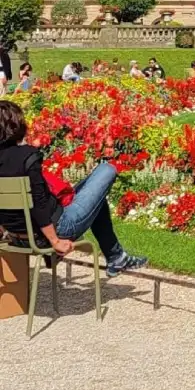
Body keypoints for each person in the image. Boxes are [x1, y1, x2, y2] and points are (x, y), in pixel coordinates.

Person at [0, 101, 147, 276]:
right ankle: (115, 257)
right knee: (107, 169)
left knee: (95, 198)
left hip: (18, 237)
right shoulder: (27, 156)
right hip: (57, 228)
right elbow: (39, 204)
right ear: (17, 125)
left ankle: (116, 257)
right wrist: (55, 242)